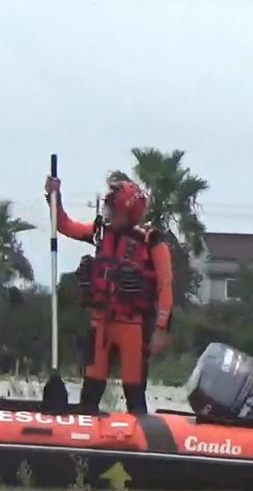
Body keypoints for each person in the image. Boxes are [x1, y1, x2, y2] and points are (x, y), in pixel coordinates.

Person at [45, 175, 173, 414]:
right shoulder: (101, 232)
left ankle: (139, 440)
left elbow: (165, 286)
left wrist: (161, 328)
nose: (108, 213)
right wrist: (54, 197)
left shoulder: (152, 242)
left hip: (132, 326)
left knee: (134, 392)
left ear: (129, 211)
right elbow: (64, 225)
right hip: (100, 322)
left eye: (113, 209)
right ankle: (85, 437)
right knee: (91, 389)